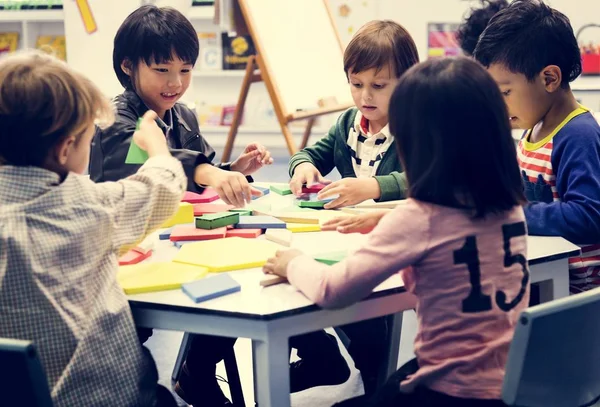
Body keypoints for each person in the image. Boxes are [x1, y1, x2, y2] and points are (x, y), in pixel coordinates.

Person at [268, 57, 530, 407]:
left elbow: (332, 291)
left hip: (451, 393)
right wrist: (383, 218)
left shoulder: (419, 219)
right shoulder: (509, 207)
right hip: (510, 386)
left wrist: (293, 263)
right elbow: (450, 236)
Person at [0, 51, 186, 407]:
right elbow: (162, 189)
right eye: (88, 138)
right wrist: (157, 147)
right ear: (66, 147)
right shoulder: (88, 206)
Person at [89, 4, 273, 208]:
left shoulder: (184, 114)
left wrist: (232, 169)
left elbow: (196, 173)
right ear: (128, 66)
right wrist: (208, 172)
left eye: (185, 70)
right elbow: (139, 160)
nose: (175, 83)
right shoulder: (114, 119)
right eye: (162, 69)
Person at [474, 0, 600, 293]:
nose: (498, 102)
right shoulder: (534, 127)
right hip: (546, 280)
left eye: (505, 91)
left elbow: (590, 216)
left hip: (580, 298)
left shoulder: (577, 134)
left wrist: (514, 215)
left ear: (549, 78)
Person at [288, 20, 419, 208]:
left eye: (378, 85)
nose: (366, 96)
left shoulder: (417, 125)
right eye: (356, 84)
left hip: (397, 226)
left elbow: (429, 178)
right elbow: (309, 155)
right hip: (352, 224)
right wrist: (303, 167)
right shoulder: (347, 123)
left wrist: (374, 187)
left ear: (407, 80)